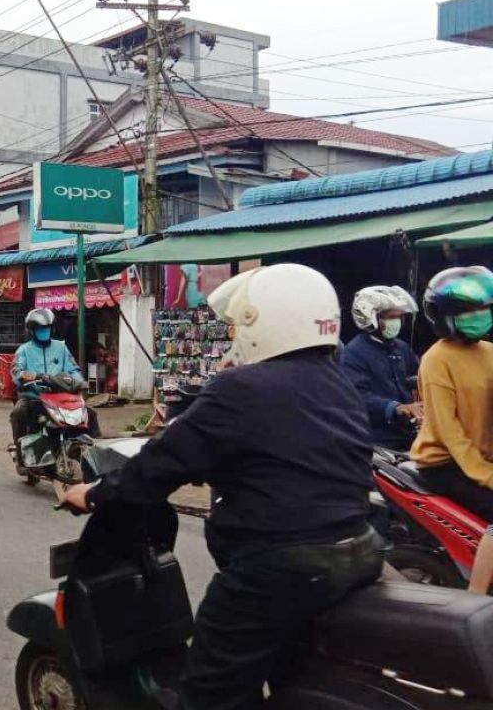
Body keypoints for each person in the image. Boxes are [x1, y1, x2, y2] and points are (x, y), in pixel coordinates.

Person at [59, 264, 383, 709]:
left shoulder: (242, 387)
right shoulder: (337, 383)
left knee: (211, 693)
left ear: (265, 323)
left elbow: (162, 461)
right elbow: (288, 458)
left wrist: (93, 493)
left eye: (239, 324)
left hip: (277, 568)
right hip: (358, 552)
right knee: (290, 670)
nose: (234, 338)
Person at [409, 266, 493, 594]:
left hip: (481, 458)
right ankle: (476, 601)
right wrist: (485, 474)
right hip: (445, 464)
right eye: (470, 311)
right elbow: (449, 432)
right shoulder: (436, 360)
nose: (480, 315)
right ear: (446, 317)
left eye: (484, 308)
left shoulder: (489, 352)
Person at [340, 286, 422, 451]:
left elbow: (416, 376)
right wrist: (395, 407)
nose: (396, 322)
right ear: (370, 318)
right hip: (378, 443)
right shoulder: (353, 353)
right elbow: (356, 397)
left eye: (399, 317)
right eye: (391, 317)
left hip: (408, 435)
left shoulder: (401, 348)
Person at [9, 308, 82, 444]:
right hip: (34, 398)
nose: (44, 331)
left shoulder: (61, 348)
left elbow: (73, 369)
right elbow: (16, 371)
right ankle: (20, 448)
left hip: (60, 398)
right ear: (32, 330)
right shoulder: (24, 350)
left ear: (52, 329)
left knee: (88, 412)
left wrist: (79, 382)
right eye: (40, 329)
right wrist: (32, 376)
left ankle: (88, 452)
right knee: (18, 412)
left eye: (47, 328)